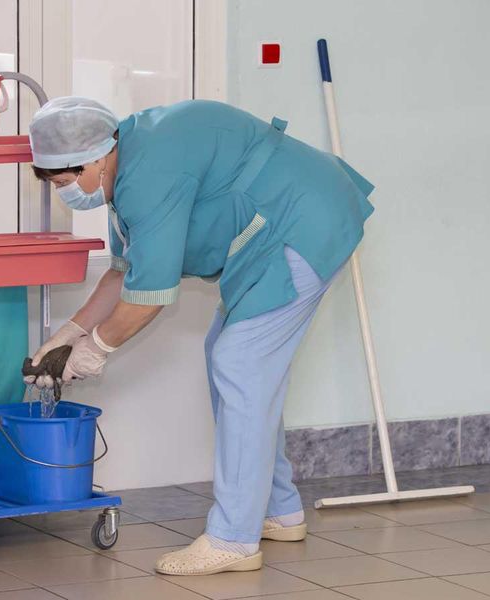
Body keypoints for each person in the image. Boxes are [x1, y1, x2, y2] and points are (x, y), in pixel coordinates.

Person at [24, 96, 375, 576]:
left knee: (241, 363)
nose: (67, 194)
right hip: (270, 235)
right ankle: (278, 509)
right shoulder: (125, 170)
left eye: (66, 182)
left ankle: (234, 539)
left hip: (302, 221)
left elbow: (147, 298)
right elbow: (125, 273)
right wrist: (69, 333)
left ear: (95, 157)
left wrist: (96, 349)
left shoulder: (148, 171)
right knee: (231, 358)